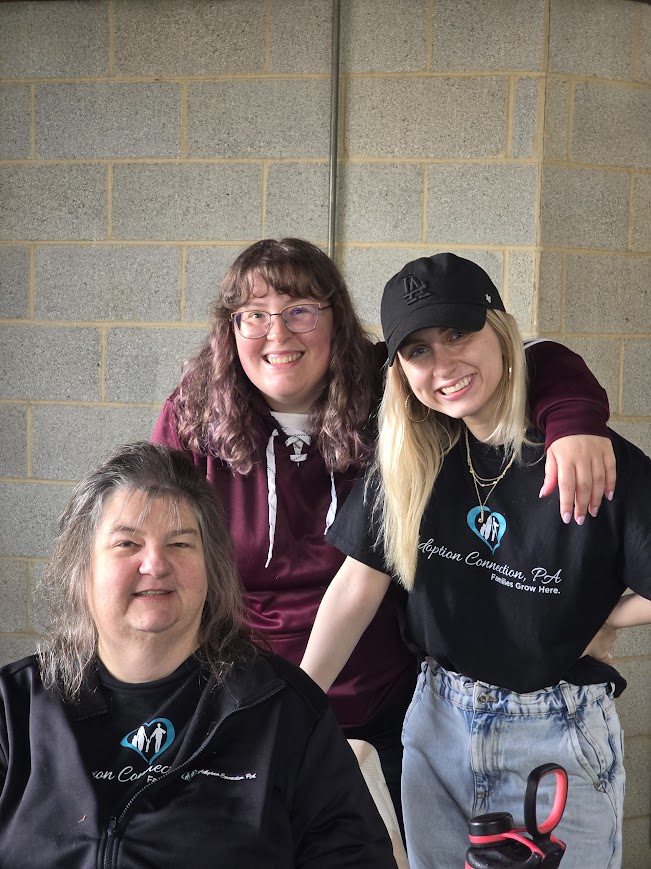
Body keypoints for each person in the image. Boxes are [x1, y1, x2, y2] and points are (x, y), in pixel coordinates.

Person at [151, 237, 616, 813]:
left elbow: (525, 355)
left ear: (336, 319)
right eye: (254, 315)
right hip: (242, 705)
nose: (278, 334)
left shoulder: (386, 388)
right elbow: (155, 556)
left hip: (393, 705)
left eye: (300, 311)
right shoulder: (194, 414)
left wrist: (574, 422)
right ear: (230, 329)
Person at [300, 253, 651, 869]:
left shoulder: (588, 457)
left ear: (502, 332)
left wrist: (604, 616)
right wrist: (297, 705)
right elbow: (356, 587)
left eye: (459, 333)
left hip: (555, 731)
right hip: (437, 722)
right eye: (419, 351)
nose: (444, 365)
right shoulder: (414, 460)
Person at [0, 442, 397, 868]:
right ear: (82, 569)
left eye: (180, 544)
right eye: (127, 543)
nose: (155, 564)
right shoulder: (14, 708)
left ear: (212, 569)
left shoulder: (282, 711)